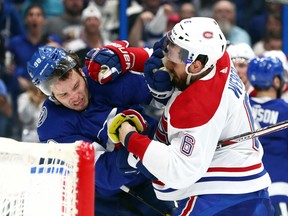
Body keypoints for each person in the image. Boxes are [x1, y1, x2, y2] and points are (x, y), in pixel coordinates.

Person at [113, 17, 273, 215]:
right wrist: (130, 57)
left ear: (196, 65)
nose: (168, 63)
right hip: (245, 191)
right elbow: (165, 58)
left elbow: (179, 171)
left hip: (226, 200)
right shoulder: (218, 57)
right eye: (171, 49)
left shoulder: (199, 106)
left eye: (176, 57)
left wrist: (131, 139)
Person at [27, 43, 175, 215]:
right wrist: (140, 153)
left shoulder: (103, 76)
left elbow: (160, 96)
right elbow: (102, 172)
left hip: (156, 158)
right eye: (63, 95)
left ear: (80, 71)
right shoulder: (52, 127)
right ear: (51, 96)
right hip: (111, 198)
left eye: (76, 86)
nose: (76, 97)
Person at [247, 56, 288, 216]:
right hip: (278, 189)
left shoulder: (241, 107)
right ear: (276, 81)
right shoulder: (285, 110)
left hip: (245, 190)